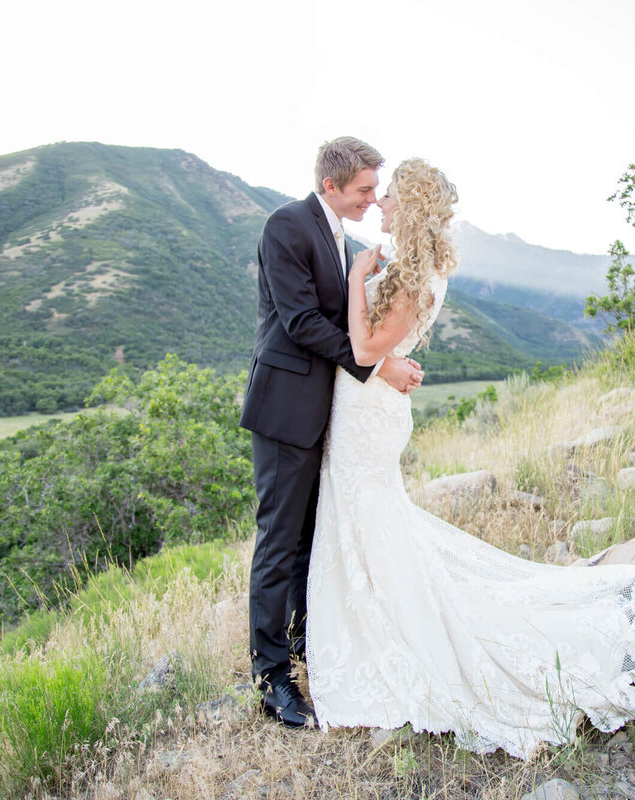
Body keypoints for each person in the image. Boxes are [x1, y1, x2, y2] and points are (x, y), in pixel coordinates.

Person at [305, 158, 635, 759]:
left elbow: (366, 346)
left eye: (392, 197)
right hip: (361, 409)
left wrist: (354, 278)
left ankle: (395, 637)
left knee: (373, 520)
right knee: (366, 522)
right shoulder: (405, 267)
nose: (383, 205)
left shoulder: (414, 275)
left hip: (369, 414)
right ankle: (364, 627)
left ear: (414, 207)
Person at [240, 137, 425, 728]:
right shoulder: (285, 226)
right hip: (286, 408)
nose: (374, 199)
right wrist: (376, 364)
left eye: (378, 189)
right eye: (365, 189)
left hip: (329, 413)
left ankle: (302, 644)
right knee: (278, 542)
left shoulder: (345, 237)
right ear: (331, 186)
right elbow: (299, 322)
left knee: (308, 541)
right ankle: (271, 679)